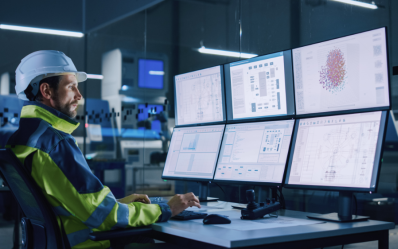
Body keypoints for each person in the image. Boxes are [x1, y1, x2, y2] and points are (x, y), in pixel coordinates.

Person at [7, 50, 200, 248]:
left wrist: (120, 204)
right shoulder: (55, 144)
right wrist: (166, 209)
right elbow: (103, 216)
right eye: (71, 86)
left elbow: (66, 203)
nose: (79, 95)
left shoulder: (21, 141)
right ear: (46, 91)